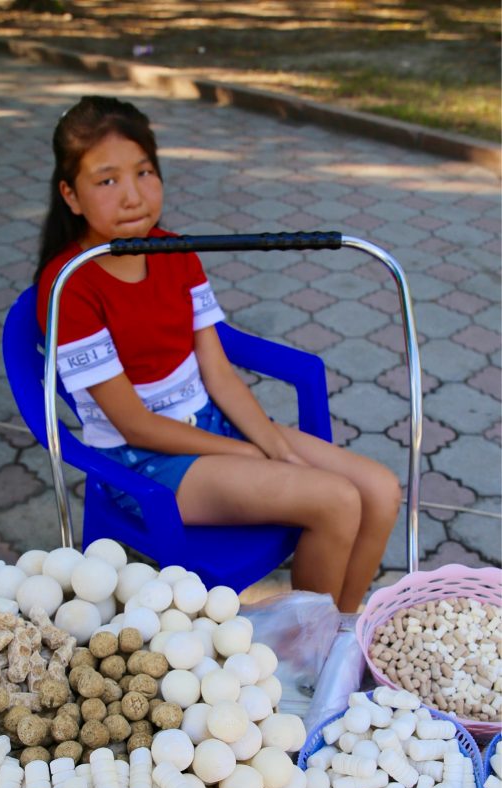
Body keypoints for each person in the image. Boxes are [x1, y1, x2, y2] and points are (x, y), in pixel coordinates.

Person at [35, 96, 401, 613]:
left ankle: (339, 633)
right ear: (71, 195)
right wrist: (249, 453)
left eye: (144, 172)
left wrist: (275, 444)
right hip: (146, 462)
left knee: (380, 490)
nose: (133, 195)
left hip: (210, 426)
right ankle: (302, 658)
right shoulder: (71, 286)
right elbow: (135, 424)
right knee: (336, 500)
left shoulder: (174, 250)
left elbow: (218, 372)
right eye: (107, 180)